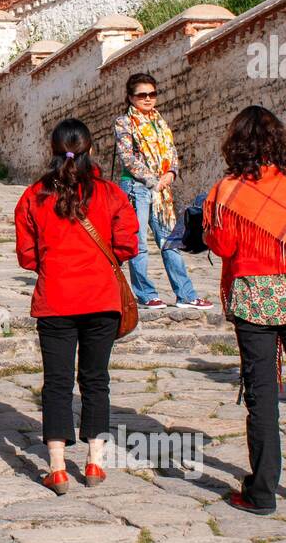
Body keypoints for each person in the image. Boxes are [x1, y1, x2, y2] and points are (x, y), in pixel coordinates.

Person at [15, 119, 139, 495]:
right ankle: (95, 461)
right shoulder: (110, 193)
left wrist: (56, 264)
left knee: (56, 382)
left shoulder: (34, 196)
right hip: (101, 298)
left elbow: (26, 256)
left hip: (55, 299)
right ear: (92, 151)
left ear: (52, 151)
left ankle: (55, 467)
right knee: (95, 379)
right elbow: (128, 244)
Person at [204, 105, 286, 516]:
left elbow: (222, 245)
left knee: (263, 393)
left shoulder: (229, 191)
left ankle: (262, 490)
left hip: (253, 294)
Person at [114, 74, 211, 311]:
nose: (148, 99)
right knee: (140, 244)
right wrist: (152, 180)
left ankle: (185, 294)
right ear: (130, 97)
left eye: (152, 94)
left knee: (171, 241)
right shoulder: (124, 123)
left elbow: (171, 152)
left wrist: (171, 173)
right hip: (137, 187)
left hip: (162, 190)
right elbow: (128, 158)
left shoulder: (160, 122)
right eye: (142, 95)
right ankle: (146, 294)